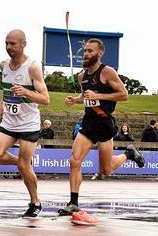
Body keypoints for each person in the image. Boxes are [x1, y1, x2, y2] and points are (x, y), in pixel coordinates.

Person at [58, 39, 145, 224]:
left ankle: (128, 154)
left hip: (105, 123)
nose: (86, 54)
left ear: (99, 53)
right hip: (88, 123)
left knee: (106, 170)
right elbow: (85, 96)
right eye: (85, 51)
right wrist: (75, 99)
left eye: (90, 51)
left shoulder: (107, 72)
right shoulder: (82, 76)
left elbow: (124, 95)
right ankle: (73, 203)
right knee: (74, 161)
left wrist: (99, 96)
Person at [0, 29, 50, 217]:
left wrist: (27, 92)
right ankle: (22, 164)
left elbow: (45, 98)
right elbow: (7, 89)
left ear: (23, 44)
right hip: (9, 122)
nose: (8, 47)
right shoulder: (3, 65)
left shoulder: (32, 67)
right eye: (6, 43)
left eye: (13, 44)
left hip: (29, 124)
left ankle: (35, 202)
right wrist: (1, 104)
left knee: (24, 167)